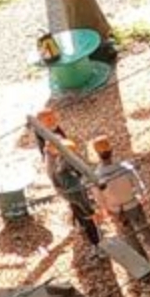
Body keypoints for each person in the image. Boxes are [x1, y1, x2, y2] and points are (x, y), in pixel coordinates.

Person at [33, 109, 101, 255]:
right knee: (83, 210)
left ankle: (83, 224)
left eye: (53, 117)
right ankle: (96, 242)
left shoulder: (53, 134)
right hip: (67, 184)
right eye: (49, 120)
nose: (54, 121)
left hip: (66, 179)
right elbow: (61, 165)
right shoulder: (51, 150)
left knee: (78, 206)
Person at [92, 136, 150, 264]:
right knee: (145, 229)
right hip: (132, 204)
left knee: (129, 236)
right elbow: (139, 184)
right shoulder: (125, 167)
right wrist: (142, 196)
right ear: (111, 150)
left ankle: (142, 260)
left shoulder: (97, 176)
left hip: (116, 210)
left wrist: (105, 209)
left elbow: (99, 198)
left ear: (97, 154)